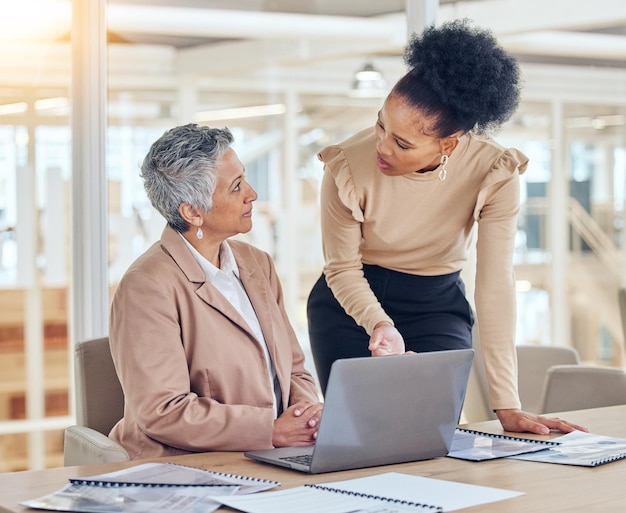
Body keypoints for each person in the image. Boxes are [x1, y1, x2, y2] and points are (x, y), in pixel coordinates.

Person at [307, 19, 587, 435]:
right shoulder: (346, 165)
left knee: (428, 436)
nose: (382, 147)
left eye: (402, 143)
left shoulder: (494, 171)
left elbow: (495, 286)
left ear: (448, 145)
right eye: (381, 124)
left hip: (436, 305)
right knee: (358, 439)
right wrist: (380, 324)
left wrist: (506, 404)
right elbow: (343, 268)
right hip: (350, 305)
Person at [109, 123, 323, 459]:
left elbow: (294, 368)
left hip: (274, 456)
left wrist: (306, 416)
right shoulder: (146, 286)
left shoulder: (258, 264)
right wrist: (270, 430)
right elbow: (163, 411)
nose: (252, 194)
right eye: (236, 187)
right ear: (192, 212)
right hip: (184, 468)